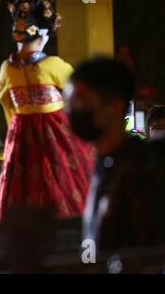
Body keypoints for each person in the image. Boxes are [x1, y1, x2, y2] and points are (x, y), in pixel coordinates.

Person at [0, 0, 94, 224]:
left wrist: (14, 128)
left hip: (20, 134)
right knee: (65, 182)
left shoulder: (7, 69)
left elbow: (5, 101)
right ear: (43, 35)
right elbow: (80, 97)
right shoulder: (53, 65)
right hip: (55, 132)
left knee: (20, 186)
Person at [66, 57, 165, 250]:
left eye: (82, 100)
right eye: (69, 101)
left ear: (115, 107)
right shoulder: (103, 163)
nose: (72, 110)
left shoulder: (144, 167)